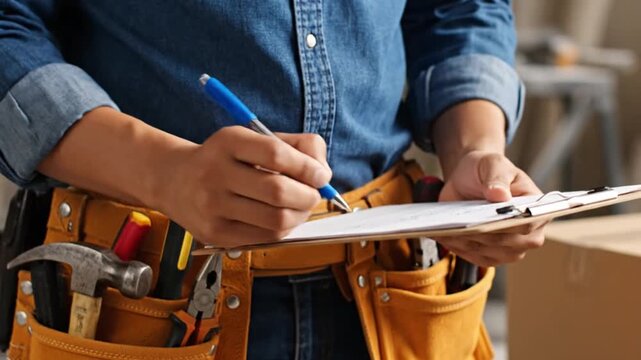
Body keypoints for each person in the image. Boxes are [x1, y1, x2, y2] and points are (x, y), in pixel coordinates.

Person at [0, 0, 544, 358]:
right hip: (150, 289)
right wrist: (163, 171)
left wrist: (476, 149)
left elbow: (459, 9)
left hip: (393, 288)